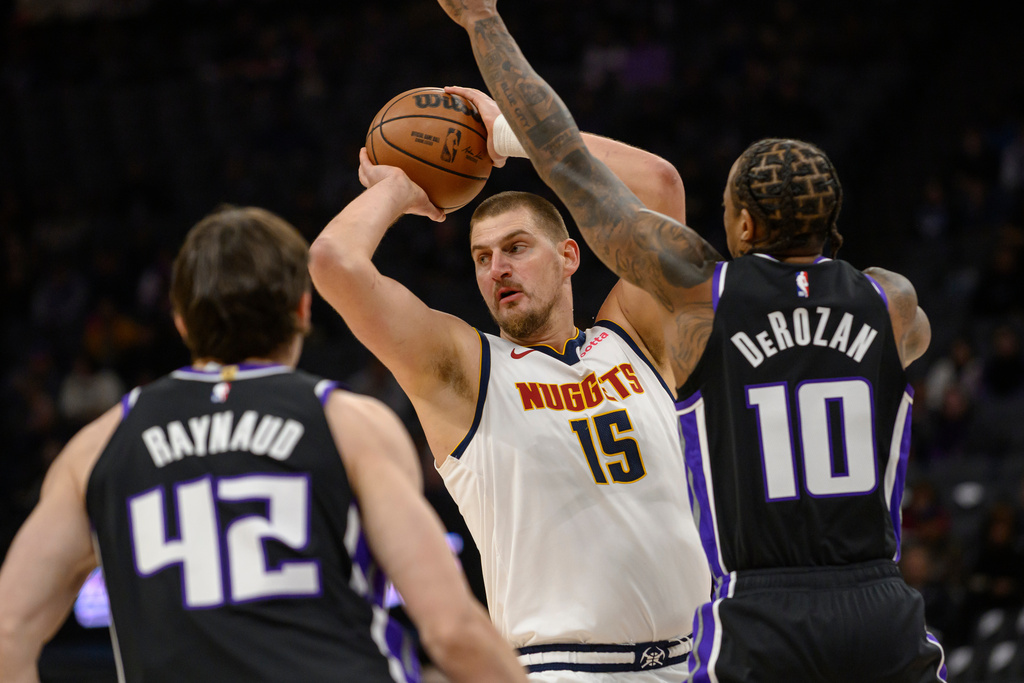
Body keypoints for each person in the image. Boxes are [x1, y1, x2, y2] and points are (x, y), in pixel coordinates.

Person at [432, 1, 947, 681]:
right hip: (881, 603)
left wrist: (481, 23)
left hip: (763, 610)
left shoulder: (706, 299)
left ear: (740, 222)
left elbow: (565, 160)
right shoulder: (892, 303)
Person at [0, 206, 526, 683]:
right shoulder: (348, 422)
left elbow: (8, 635)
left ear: (181, 321)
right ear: (302, 309)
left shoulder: (97, 446)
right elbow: (452, 629)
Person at [308, 94, 711, 682]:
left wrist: (506, 134)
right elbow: (334, 262)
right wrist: (395, 189)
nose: (497, 268)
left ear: (569, 256)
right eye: (481, 257)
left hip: (695, 661)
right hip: (561, 669)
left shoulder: (637, 335)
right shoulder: (464, 370)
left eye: (516, 248)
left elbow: (658, 184)